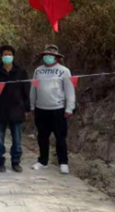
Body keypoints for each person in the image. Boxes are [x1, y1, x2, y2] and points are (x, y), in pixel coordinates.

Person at [30, 44, 75, 174]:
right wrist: (32, 105)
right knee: (42, 137)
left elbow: (69, 90)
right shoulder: (38, 71)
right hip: (40, 109)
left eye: (51, 55)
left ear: (56, 57)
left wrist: (69, 108)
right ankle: (43, 161)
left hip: (58, 109)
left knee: (60, 137)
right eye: (46, 55)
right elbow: (33, 89)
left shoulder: (64, 71)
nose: (48, 57)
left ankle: (63, 162)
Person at [0, 45, 30, 173]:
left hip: (17, 109)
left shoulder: (21, 72)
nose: (7, 56)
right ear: (1, 56)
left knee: (17, 140)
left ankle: (16, 161)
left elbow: (26, 90)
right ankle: (0, 161)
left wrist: (27, 108)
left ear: (13, 56)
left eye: (9, 54)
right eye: (5, 54)